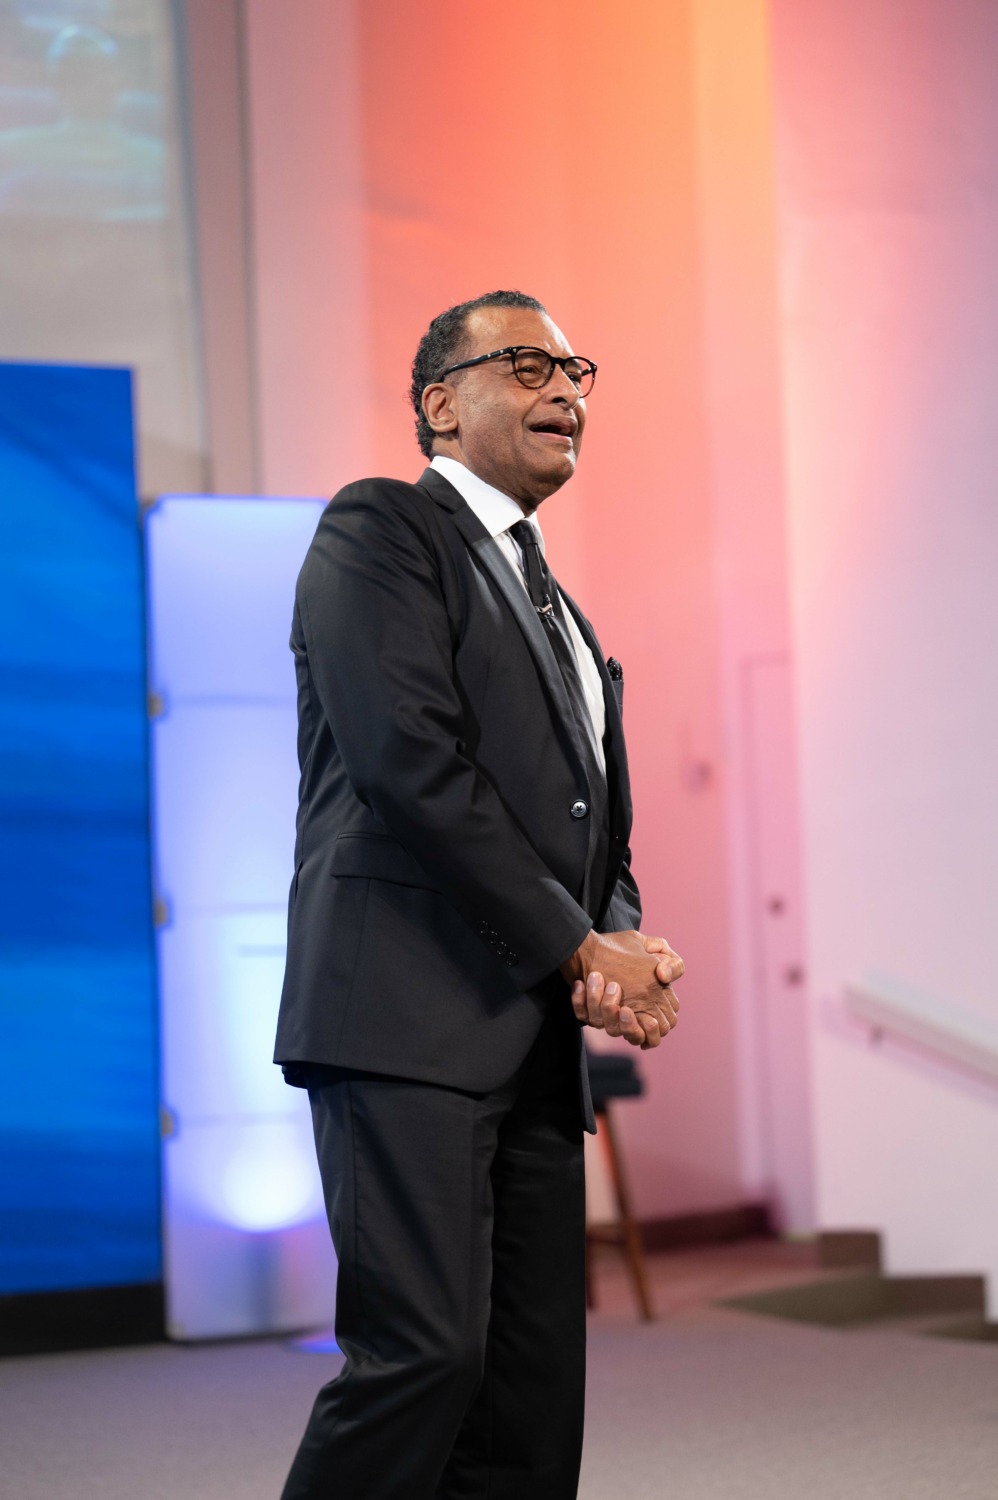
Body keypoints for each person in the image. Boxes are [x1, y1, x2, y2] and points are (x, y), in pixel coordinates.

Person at [274, 289, 685, 1499]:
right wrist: (577, 948)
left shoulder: (562, 607)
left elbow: (589, 820)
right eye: (525, 365)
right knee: (421, 1359)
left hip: (530, 1043)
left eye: (574, 372)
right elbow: (410, 762)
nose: (563, 390)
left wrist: (615, 942)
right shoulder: (380, 530)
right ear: (440, 405)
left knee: (525, 1393)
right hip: (402, 1018)